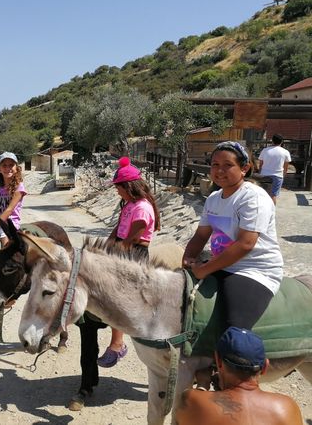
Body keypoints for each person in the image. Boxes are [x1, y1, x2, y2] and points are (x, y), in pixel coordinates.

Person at [182, 141, 283, 331]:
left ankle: (241, 359)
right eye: (215, 165)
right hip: (221, 263)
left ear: (244, 168)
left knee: (233, 329)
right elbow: (201, 235)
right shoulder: (213, 199)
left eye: (228, 165)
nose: (220, 170)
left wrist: (204, 269)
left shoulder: (253, 197)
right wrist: (187, 260)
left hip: (252, 269)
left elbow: (246, 244)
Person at [98, 156, 160, 368]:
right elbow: (119, 228)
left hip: (134, 254)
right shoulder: (129, 205)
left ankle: (118, 344)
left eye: (118, 188)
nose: (117, 191)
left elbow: (136, 234)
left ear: (128, 186)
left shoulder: (142, 207)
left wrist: (118, 249)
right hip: (124, 250)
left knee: (119, 298)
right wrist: (106, 245)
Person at [176, 326, 304, 425]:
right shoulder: (287, 407)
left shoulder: (193, 400)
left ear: (218, 361)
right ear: (265, 367)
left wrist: (202, 385)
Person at [258, 134, 291, 204]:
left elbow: (261, 164)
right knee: (273, 195)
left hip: (264, 175)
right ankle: (272, 212)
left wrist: (260, 173)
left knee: (263, 195)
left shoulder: (265, 150)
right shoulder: (285, 152)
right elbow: (286, 167)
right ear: (282, 142)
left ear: (272, 141)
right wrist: (283, 175)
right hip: (278, 176)